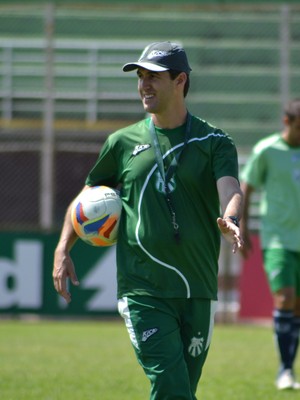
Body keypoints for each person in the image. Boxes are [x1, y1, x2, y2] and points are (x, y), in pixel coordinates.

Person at [53, 41, 243, 400]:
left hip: (197, 287)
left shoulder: (215, 141)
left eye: (153, 76)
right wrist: (63, 246)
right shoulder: (122, 142)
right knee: (171, 386)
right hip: (143, 289)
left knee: (184, 388)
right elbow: (86, 198)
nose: (144, 85)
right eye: (140, 77)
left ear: (180, 80)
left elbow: (230, 186)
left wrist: (231, 216)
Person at [240, 98, 300, 391]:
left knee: (297, 306)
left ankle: (289, 369)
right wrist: (242, 225)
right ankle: (285, 370)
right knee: (285, 297)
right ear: (287, 122)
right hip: (277, 239)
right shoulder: (267, 150)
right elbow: (247, 185)